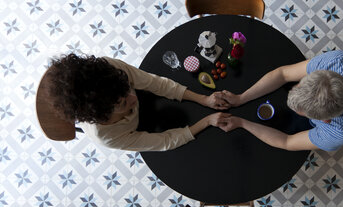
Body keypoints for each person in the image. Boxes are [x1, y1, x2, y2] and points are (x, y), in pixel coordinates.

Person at [46, 53, 230, 151]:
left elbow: (155, 83)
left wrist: (204, 99)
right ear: (104, 116)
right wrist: (206, 121)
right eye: (123, 104)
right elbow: (164, 141)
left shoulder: (111, 69)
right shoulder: (107, 137)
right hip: (145, 127)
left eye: (128, 89)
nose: (134, 97)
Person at [218, 50, 343, 151]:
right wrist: (240, 98)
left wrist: (241, 123)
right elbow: (283, 74)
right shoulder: (338, 61)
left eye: (303, 112)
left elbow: (287, 142)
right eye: (298, 86)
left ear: (326, 120)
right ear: (320, 73)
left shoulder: (340, 132)